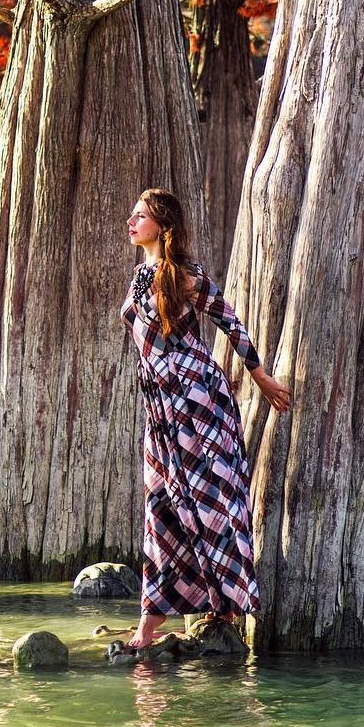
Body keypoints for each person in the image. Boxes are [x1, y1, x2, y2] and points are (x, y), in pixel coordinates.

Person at [120, 188, 290, 649]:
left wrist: (261, 378)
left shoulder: (185, 276)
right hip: (160, 407)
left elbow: (230, 322)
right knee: (161, 506)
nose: (131, 222)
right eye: (133, 215)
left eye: (141, 216)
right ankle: (154, 622)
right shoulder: (140, 275)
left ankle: (226, 606)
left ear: (163, 226)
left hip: (197, 401)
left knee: (212, 502)